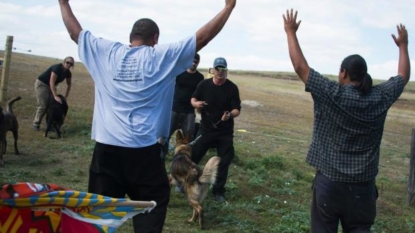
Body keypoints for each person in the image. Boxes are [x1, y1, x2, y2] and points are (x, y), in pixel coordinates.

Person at [58, 0, 237, 232]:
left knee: (99, 213)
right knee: (153, 203)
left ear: (131, 37)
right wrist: (228, 8)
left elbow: (75, 32)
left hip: (105, 152)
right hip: (143, 151)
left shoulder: (106, 52)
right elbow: (201, 38)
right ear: (155, 39)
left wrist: (63, 2)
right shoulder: (159, 56)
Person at [283, 9, 410, 233]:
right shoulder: (380, 97)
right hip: (363, 188)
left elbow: (300, 67)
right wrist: (403, 46)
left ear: (343, 73)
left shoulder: (332, 94)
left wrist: (290, 32)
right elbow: (403, 76)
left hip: (329, 184)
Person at [191, 57, 241, 202]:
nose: (220, 72)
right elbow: (193, 99)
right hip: (206, 129)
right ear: (212, 70)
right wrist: (196, 104)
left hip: (224, 132)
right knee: (193, 156)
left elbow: (237, 109)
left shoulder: (232, 88)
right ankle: (187, 182)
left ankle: (218, 190)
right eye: (217, 69)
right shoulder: (204, 84)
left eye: (223, 69)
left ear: (226, 71)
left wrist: (229, 115)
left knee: (224, 161)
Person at [162, 53, 204, 158]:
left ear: (198, 62)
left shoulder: (200, 77)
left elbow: (200, 93)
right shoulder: (179, 73)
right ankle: (161, 155)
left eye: (196, 61)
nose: (194, 63)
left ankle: (186, 157)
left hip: (189, 111)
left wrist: (199, 106)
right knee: (165, 134)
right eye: (192, 60)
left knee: (189, 137)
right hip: (174, 109)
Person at [33, 56, 74, 131]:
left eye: (71, 64)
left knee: (52, 105)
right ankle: (36, 123)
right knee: (43, 105)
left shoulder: (68, 73)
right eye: (67, 62)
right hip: (42, 84)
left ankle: (50, 124)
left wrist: (66, 96)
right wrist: (55, 96)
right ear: (64, 62)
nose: (69, 65)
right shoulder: (57, 68)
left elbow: (69, 84)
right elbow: (51, 81)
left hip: (51, 86)